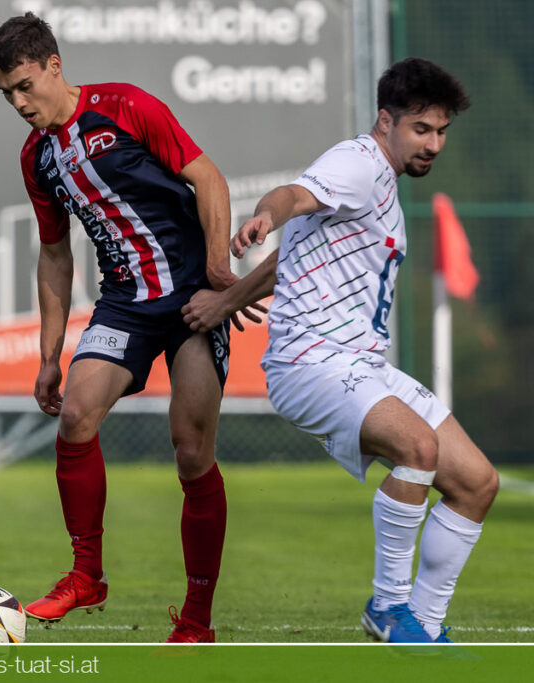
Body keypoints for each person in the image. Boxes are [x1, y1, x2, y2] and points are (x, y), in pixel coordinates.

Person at [182, 57, 498, 643]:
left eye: (441, 131)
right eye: (421, 129)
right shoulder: (358, 163)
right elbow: (293, 197)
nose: (433, 144)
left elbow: (297, 252)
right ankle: (388, 607)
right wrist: (266, 214)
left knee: (478, 482)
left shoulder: (380, 183)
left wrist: (226, 302)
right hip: (312, 363)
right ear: (386, 121)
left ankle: (425, 630)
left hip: (361, 364)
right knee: (418, 448)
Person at [0, 13, 262, 643]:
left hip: (191, 300)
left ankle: (196, 620)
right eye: (6, 94)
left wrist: (219, 270)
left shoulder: (126, 107)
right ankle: (87, 575)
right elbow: (55, 254)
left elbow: (208, 179)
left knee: (191, 451)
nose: (18, 103)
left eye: (24, 85)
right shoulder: (38, 158)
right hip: (125, 305)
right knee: (76, 415)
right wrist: (49, 356)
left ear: (54, 65)